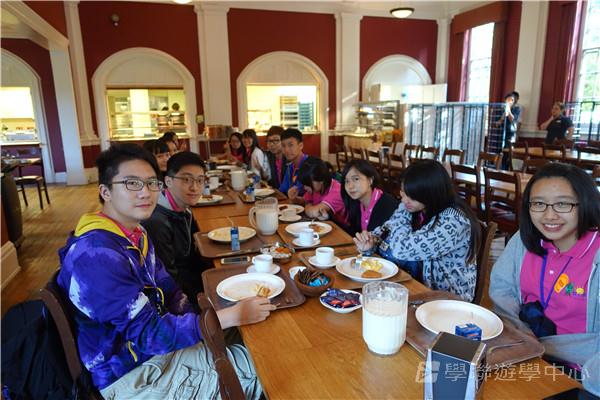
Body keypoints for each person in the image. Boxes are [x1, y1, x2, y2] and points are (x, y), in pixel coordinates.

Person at [57, 143, 274, 398]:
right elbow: (148, 335)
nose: (145, 192)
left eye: (151, 183)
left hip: (158, 352)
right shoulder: (95, 255)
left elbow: (170, 291)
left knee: (259, 336)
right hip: (133, 375)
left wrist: (215, 320)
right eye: (132, 183)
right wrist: (226, 317)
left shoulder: (135, 233)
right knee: (267, 363)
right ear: (105, 191)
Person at [489, 163, 599, 383]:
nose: (549, 215)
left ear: (585, 203)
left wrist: (545, 348)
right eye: (539, 204)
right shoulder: (525, 239)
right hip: (521, 352)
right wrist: (520, 337)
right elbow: (502, 289)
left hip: (582, 372)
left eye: (563, 204)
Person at [354, 160, 481, 301]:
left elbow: (401, 249)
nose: (404, 200)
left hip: (447, 300)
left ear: (430, 193)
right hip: (415, 285)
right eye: (403, 192)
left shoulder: (454, 221)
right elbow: (383, 233)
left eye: (412, 196)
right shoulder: (420, 208)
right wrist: (369, 244)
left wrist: (402, 212)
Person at [142, 151, 207, 304]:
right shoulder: (157, 221)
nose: (194, 187)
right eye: (186, 179)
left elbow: (189, 258)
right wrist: (200, 298)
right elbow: (168, 278)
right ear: (168, 181)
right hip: (174, 299)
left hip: (188, 280)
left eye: (200, 180)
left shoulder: (184, 209)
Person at [341, 159, 399, 236]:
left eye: (356, 179)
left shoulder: (388, 206)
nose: (350, 186)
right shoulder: (355, 202)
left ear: (370, 180)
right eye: (347, 181)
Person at [292, 157, 345, 224]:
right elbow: (304, 200)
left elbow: (315, 212)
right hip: (329, 225)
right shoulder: (316, 189)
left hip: (342, 228)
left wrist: (308, 205)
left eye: (308, 184)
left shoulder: (337, 191)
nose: (305, 187)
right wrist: (294, 198)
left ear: (321, 180)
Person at [279, 128, 308, 197]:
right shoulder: (290, 166)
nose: (286, 150)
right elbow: (282, 189)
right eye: (283, 146)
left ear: (300, 146)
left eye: (290, 145)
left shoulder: (309, 166)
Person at [498, 92, 522, 169]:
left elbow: (512, 119)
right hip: (501, 134)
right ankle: (499, 169)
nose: (510, 101)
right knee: (500, 154)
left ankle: (506, 170)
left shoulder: (517, 109)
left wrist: (508, 110)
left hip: (510, 135)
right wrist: (504, 113)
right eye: (508, 100)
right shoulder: (501, 109)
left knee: (508, 154)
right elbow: (498, 123)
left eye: (512, 100)